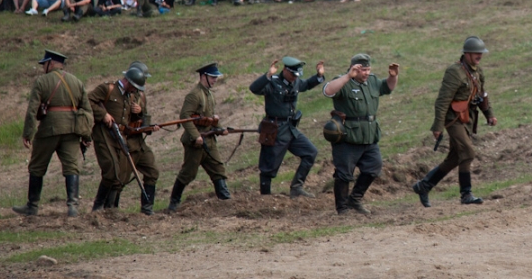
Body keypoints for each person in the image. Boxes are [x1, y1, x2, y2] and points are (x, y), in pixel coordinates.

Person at [413, 36, 497, 208]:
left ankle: (424, 185)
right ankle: (466, 194)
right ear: (466, 53)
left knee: (454, 158)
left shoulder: (478, 72)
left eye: (481, 53)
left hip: (467, 119)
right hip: (454, 120)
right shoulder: (455, 72)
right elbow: (442, 101)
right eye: (476, 53)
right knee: (468, 153)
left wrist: (489, 114)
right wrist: (437, 126)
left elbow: (481, 95)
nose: (479, 56)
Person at [13, 50, 93, 217]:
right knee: (71, 167)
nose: (43, 68)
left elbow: (32, 111)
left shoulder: (42, 82)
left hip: (49, 129)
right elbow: (86, 110)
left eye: (44, 64)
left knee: (37, 166)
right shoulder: (76, 82)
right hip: (72, 130)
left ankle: (32, 206)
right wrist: (86, 136)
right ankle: (72, 206)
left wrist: (28, 133)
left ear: (50, 63)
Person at [323, 53, 399, 215]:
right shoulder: (344, 81)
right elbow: (328, 91)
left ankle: (355, 199)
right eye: (362, 70)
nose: (365, 73)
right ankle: (342, 208)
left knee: (374, 167)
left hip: (369, 135)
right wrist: (348, 76)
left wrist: (393, 77)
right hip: (348, 135)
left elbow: (387, 88)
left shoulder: (372, 81)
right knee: (344, 173)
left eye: (368, 69)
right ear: (354, 69)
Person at [88, 63, 160, 214]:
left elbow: (129, 120)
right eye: (134, 87)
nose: (135, 91)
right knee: (113, 171)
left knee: (119, 175)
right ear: (127, 81)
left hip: (121, 136)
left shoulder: (130, 96)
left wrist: (141, 116)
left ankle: (110, 209)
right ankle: (99, 206)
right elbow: (88, 102)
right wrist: (103, 115)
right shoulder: (108, 89)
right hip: (105, 133)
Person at [249, 57, 326, 197]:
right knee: (268, 167)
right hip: (274, 129)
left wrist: (319, 76)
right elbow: (254, 88)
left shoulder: (295, 82)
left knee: (310, 152)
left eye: (296, 76)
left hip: (290, 129)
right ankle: (265, 197)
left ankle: (297, 187)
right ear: (285, 70)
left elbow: (307, 84)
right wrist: (268, 75)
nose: (294, 78)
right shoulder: (272, 83)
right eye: (292, 74)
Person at [167, 63, 230, 212]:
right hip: (195, 142)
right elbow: (184, 116)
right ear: (204, 76)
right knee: (188, 173)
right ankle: (173, 203)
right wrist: (195, 136)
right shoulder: (194, 94)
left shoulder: (209, 94)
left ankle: (226, 201)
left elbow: (209, 118)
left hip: (209, 139)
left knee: (218, 168)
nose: (215, 80)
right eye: (213, 77)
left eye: (216, 77)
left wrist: (220, 129)